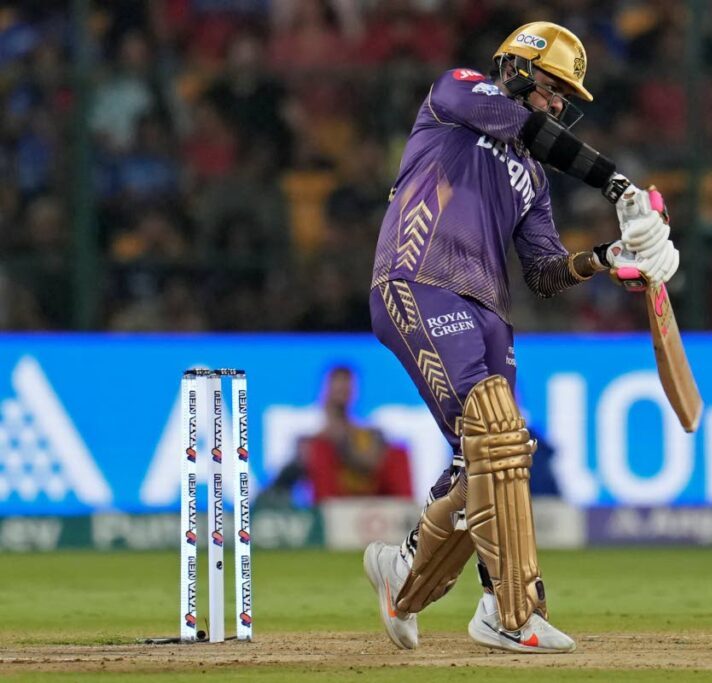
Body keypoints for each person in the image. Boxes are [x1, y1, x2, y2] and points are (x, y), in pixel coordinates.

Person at [363, 22, 679, 654]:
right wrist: (616, 183)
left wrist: (607, 257)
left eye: (566, 96)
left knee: (489, 454)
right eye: (553, 87)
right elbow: (531, 128)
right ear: (514, 67)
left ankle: (405, 575)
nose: (559, 104)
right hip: (418, 279)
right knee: (494, 428)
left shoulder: (533, 178)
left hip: (488, 308)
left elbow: (542, 271)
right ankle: (514, 611)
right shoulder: (456, 93)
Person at [258, 366, 412, 505]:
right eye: (337, 389)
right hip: (330, 501)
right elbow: (287, 478)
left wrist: (343, 440)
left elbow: (371, 463)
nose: (342, 393)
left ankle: (406, 513)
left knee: (397, 452)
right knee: (318, 450)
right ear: (325, 393)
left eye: (346, 389)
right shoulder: (311, 439)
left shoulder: (370, 434)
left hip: (370, 497)